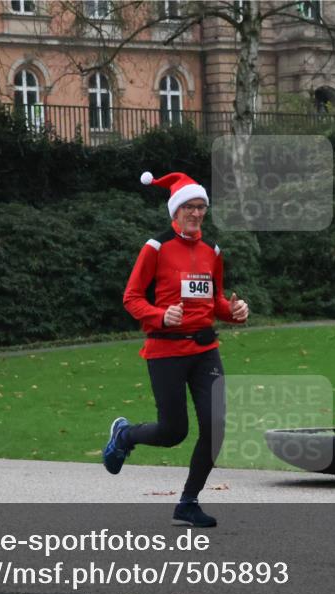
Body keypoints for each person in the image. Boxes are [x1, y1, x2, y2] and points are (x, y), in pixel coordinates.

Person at [102, 170, 250, 528]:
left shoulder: (212, 251)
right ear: (176, 209)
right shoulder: (156, 248)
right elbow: (131, 298)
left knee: (215, 427)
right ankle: (125, 434)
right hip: (166, 351)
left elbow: (212, 301)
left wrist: (234, 312)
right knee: (173, 432)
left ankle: (188, 502)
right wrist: (159, 315)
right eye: (190, 207)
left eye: (202, 208)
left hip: (204, 350)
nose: (197, 214)